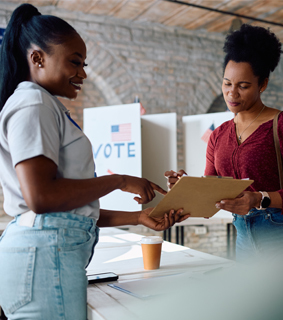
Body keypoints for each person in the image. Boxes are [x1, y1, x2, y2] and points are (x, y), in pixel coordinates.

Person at [0, 4, 189, 320]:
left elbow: (68, 211)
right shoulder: (33, 102)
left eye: (84, 64)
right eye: (75, 62)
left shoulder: (43, 105)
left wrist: (138, 217)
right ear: (37, 58)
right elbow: (43, 198)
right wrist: (119, 181)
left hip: (44, 255)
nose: (83, 73)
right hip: (44, 257)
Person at [165, 23, 283, 262]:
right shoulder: (219, 135)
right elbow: (213, 188)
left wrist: (260, 198)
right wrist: (186, 187)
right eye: (227, 83)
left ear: (263, 85)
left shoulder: (278, 125)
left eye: (243, 86)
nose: (232, 94)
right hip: (243, 237)